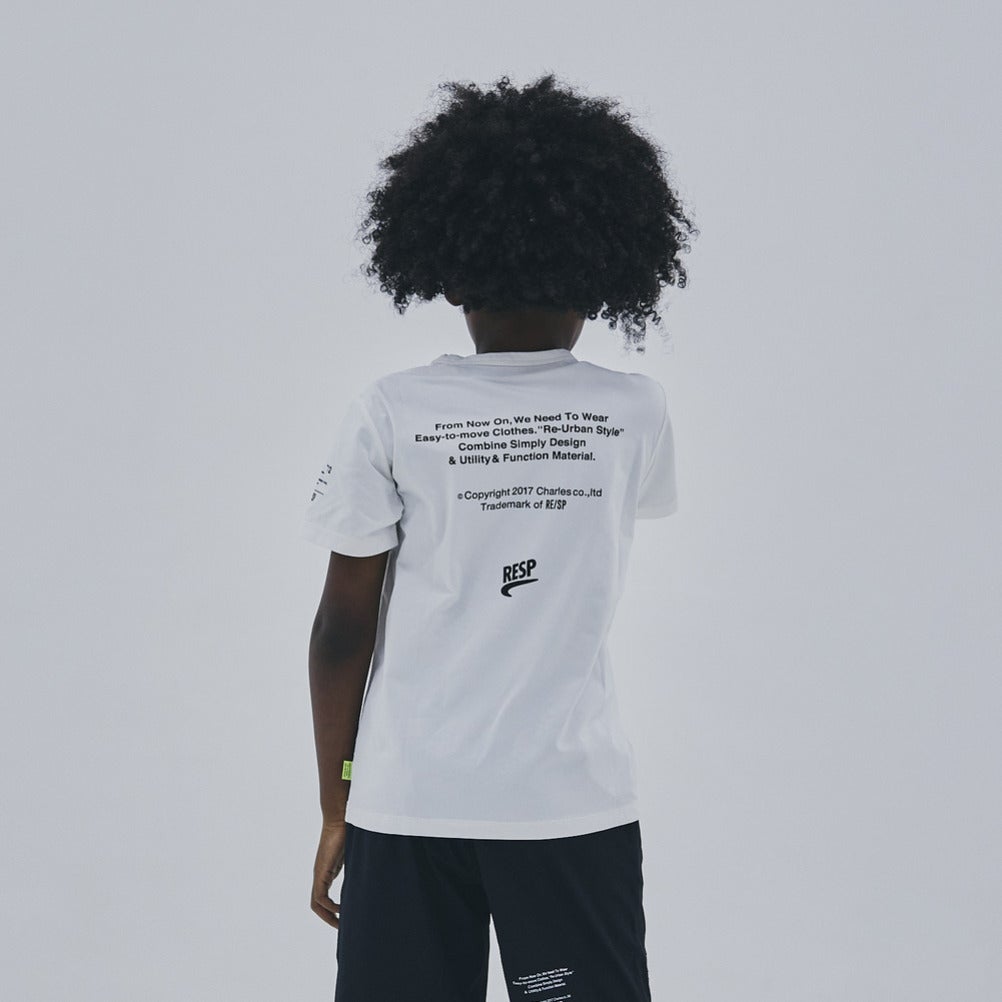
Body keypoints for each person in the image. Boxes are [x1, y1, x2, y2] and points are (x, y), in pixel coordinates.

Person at [301, 72, 698, 1002]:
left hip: (408, 798)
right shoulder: (634, 411)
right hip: (568, 803)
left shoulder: (393, 410)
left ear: (445, 270)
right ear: (605, 267)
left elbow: (341, 627)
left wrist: (336, 802)